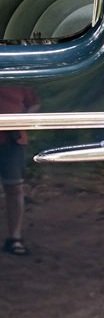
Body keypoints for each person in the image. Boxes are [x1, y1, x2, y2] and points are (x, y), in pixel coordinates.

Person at [0, 85, 39, 256]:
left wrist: (21, 121)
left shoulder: (18, 77)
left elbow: (34, 104)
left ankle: (14, 238)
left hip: (12, 140)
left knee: (15, 188)